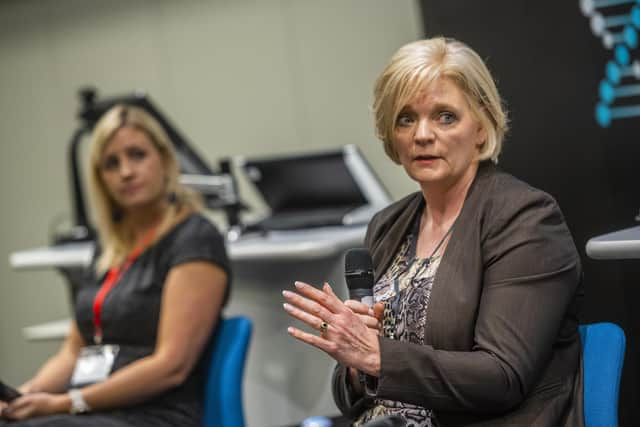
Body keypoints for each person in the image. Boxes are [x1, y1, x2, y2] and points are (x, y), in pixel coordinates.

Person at [282, 37, 583, 426]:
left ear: (482, 125)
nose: (422, 134)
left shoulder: (525, 217)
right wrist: (356, 363)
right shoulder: (387, 225)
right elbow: (351, 391)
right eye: (406, 118)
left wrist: (377, 356)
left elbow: (502, 377)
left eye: (445, 116)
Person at [0, 105, 231, 426]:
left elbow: (171, 366)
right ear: (101, 178)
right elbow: (72, 353)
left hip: (154, 414)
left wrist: (67, 403)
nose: (126, 172)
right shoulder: (107, 249)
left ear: (164, 160)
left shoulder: (194, 238)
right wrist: (25, 396)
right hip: (91, 410)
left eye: (137, 155)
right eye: (112, 164)